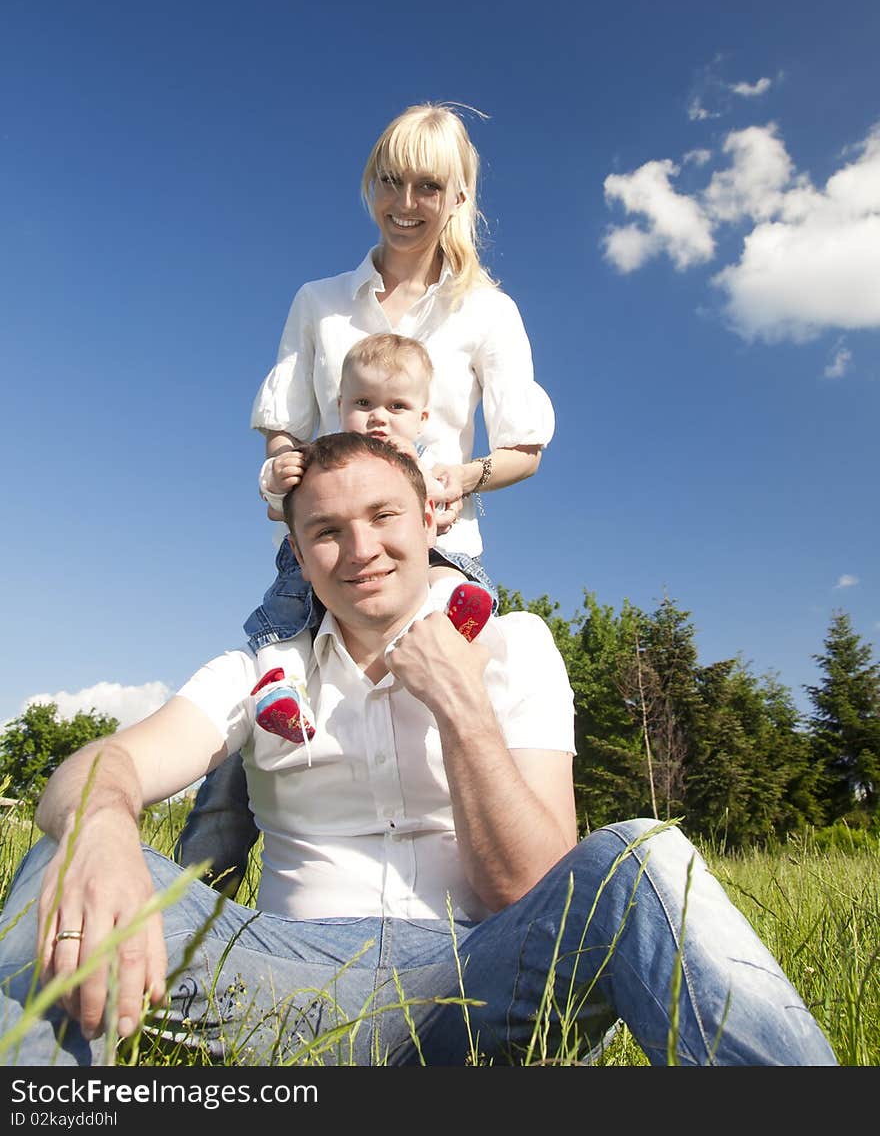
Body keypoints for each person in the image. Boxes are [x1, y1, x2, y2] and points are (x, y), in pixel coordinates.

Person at [0, 435, 838, 1067]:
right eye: (325, 530)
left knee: (645, 857)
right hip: (287, 983)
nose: (359, 549)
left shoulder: (514, 645)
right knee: (59, 859)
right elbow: (103, 764)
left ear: (432, 517)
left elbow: (530, 887)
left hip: (476, 979)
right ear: (297, 553)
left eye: (381, 516)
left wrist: (458, 697)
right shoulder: (258, 671)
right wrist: (104, 825)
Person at [174, 101, 556, 891]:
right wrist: (281, 471)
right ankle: (186, 914)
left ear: (458, 197)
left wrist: (461, 476)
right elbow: (284, 426)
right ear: (368, 186)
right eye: (390, 181)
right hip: (324, 546)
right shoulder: (319, 303)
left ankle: (491, 916)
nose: (405, 203)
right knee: (259, 706)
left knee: (450, 724)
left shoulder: (487, 312)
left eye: (427, 185)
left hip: (436, 550)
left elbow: (525, 447)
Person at [250, 333, 496, 746]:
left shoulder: (423, 458)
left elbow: (437, 494)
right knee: (286, 621)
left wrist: (416, 469)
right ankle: (282, 688)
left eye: (397, 406)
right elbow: (278, 498)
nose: (379, 417)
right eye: (363, 403)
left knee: (445, 573)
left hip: (423, 554)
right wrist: (276, 477)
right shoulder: (323, 456)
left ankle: (456, 617)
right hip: (315, 566)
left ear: (422, 419)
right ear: (340, 407)